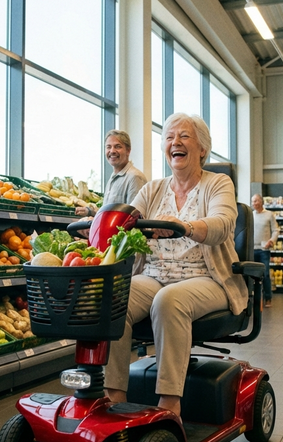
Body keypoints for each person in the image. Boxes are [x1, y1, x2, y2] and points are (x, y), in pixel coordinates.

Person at [104, 113, 247, 418]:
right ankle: (113, 397)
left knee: (168, 300)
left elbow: (222, 223)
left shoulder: (218, 183)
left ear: (202, 149)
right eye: (169, 137)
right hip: (153, 275)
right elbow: (126, 222)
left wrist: (185, 227)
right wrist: (104, 227)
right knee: (115, 296)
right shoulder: (152, 189)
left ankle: (170, 404)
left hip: (207, 278)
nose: (175, 142)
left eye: (184, 136)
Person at [75, 130, 147, 217]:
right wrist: (90, 212)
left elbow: (134, 217)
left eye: (117, 146)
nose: (112, 151)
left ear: (128, 151)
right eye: (108, 147)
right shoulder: (113, 178)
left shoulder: (135, 177)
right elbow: (110, 214)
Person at [251, 194, 278, 308]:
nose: (254, 203)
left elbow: (275, 230)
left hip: (264, 250)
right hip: (252, 249)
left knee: (265, 274)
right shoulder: (251, 215)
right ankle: (253, 298)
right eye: (252, 201)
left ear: (261, 202)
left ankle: (268, 297)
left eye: (256, 201)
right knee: (252, 275)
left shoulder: (269, 215)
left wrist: (271, 241)